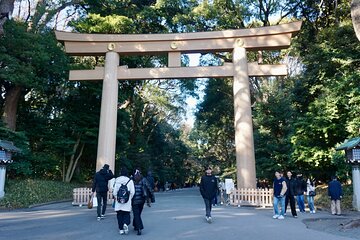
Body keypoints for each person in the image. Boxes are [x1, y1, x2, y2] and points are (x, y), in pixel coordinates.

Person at [113, 168, 135, 235]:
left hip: (119, 201)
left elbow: (114, 192)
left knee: (119, 215)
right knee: (126, 214)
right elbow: (133, 192)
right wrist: (129, 198)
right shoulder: (130, 181)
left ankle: (121, 229)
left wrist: (117, 197)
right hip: (127, 201)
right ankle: (125, 223)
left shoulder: (117, 180)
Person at [132, 169, 152, 235]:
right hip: (142, 200)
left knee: (136, 214)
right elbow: (149, 188)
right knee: (138, 213)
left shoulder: (131, 180)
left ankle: (138, 227)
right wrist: (151, 198)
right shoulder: (144, 179)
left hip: (134, 200)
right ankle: (137, 226)